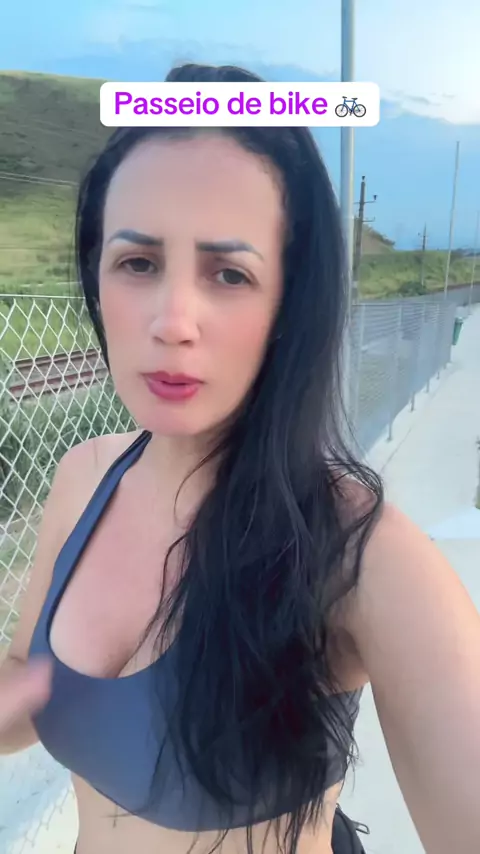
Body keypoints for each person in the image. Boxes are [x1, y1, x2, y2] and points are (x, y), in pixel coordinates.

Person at [0, 63, 479, 854]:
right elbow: (29, 681)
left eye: (229, 273)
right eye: (138, 262)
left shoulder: (358, 555)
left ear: (290, 301)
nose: (172, 321)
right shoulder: (84, 477)